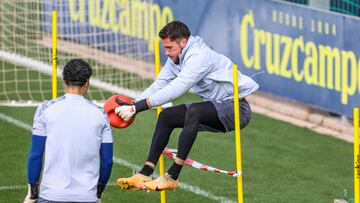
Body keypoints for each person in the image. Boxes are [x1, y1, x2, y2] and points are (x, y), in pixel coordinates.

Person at [115, 21, 258, 191]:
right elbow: (160, 84)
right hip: (216, 107)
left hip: (237, 109)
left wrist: (138, 108)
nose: (167, 53)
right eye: (165, 48)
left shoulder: (199, 56)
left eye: (169, 48)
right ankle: (145, 173)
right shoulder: (178, 57)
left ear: (182, 42)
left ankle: (172, 177)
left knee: (194, 111)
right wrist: (134, 103)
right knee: (166, 116)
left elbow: (178, 88)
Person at [23, 59, 113, 203]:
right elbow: (107, 161)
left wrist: (33, 193)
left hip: (51, 196)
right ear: (87, 83)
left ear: (64, 82)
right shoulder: (101, 114)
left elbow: (35, 155)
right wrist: (99, 191)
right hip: (87, 197)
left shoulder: (45, 109)